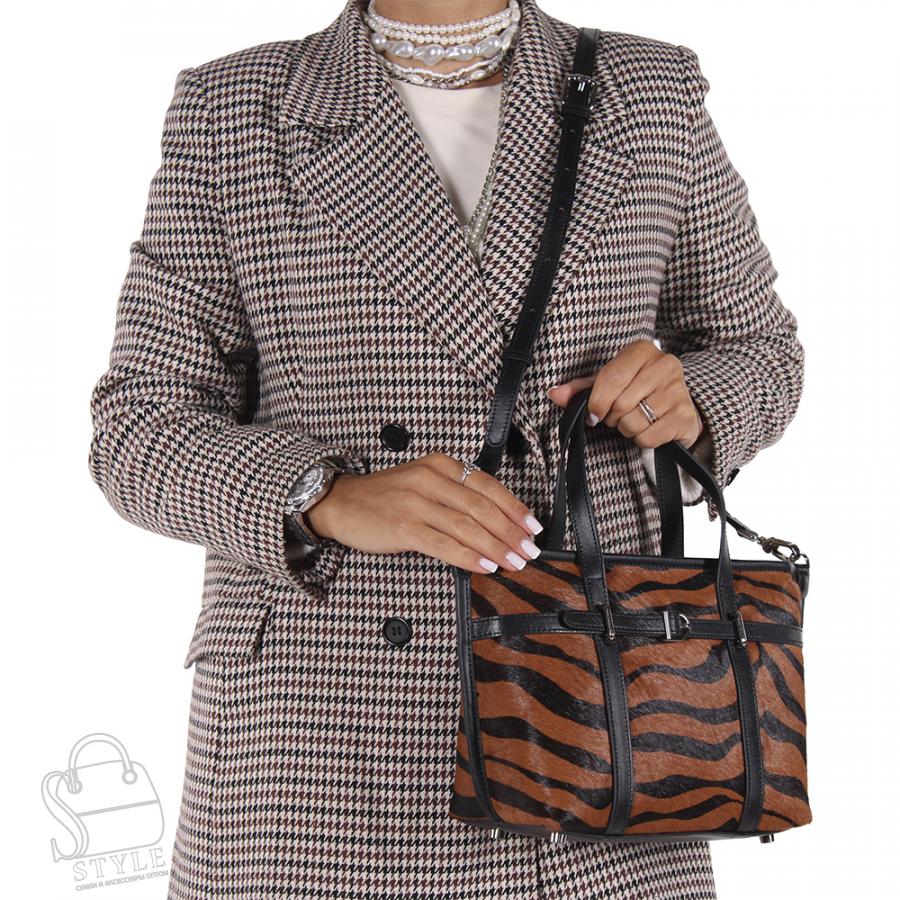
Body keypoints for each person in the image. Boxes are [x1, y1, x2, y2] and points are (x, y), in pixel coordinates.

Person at [87, 0, 804, 897]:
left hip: (595, 717)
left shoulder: (646, 90)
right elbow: (137, 424)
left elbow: (762, 350)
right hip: (320, 738)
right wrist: (323, 495)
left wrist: (690, 397)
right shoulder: (237, 107)